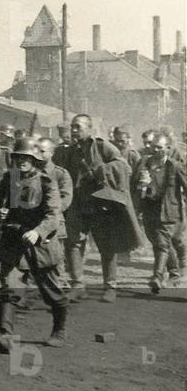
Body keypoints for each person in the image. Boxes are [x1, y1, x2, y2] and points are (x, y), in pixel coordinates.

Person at [0, 138, 69, 352]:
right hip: (14, 240)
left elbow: (53, 216)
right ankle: (7, 336)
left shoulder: (47, 182)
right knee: (8, 286)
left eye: (26, 157)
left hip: (42, 245)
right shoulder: (8, 180)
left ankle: (59, 330)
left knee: (52, 292)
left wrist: (37, 232)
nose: (22, 161)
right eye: (18, 157)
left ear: (34, 159)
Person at [58, 114, 145, 303]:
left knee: (106, 246)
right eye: (72, 127)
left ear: (89, 129)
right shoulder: (70, 151)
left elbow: (123, 166)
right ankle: (78, 285)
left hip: (100, 205)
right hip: (78, 204)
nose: (74, 130)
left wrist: (101, 171)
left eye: (78, 127)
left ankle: (110, 286)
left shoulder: (101, 146)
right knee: (74, 243)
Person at [133, 134, 186, 293]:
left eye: (159, 147)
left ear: (168, 148)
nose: (155, 150)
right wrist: (141, 184)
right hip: (149, 210)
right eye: (153, 146)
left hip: (168, 211)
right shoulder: (144, 163)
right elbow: (133, 183)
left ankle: (157, 276)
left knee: (162, 244)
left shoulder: (174, 166)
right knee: (158, 242)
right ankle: (174, 273)